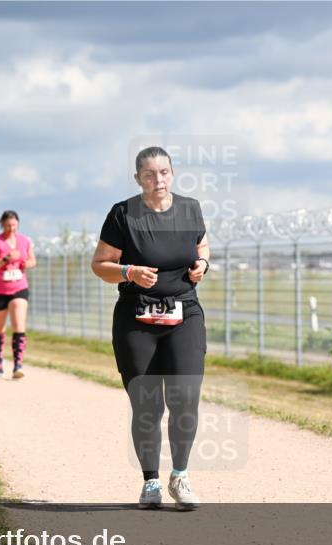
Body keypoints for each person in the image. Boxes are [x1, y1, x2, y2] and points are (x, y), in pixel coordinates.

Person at [90, 146, 210, 510]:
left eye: (164, 172)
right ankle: (151, 483)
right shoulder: (123, 214)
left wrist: (202, 263)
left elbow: (200, 243)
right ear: (138, 178)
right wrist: (129, 271)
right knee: (148, 405)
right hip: (136, 317)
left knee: (185, 399)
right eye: (149, 174)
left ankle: (180, 477)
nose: (158, 180)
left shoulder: (190, 209)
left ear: (172, 174)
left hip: (183, 313)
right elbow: (100, 263)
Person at [0, 210, 36, 378]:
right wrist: (5, 259)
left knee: (19, 324)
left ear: (18, 224)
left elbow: (33, 260)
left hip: (19, 287)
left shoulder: (25, 241)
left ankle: (18, 365)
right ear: (2, 224)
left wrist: (27, 263)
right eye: (7, 226)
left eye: (13, 225)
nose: (11, 229)